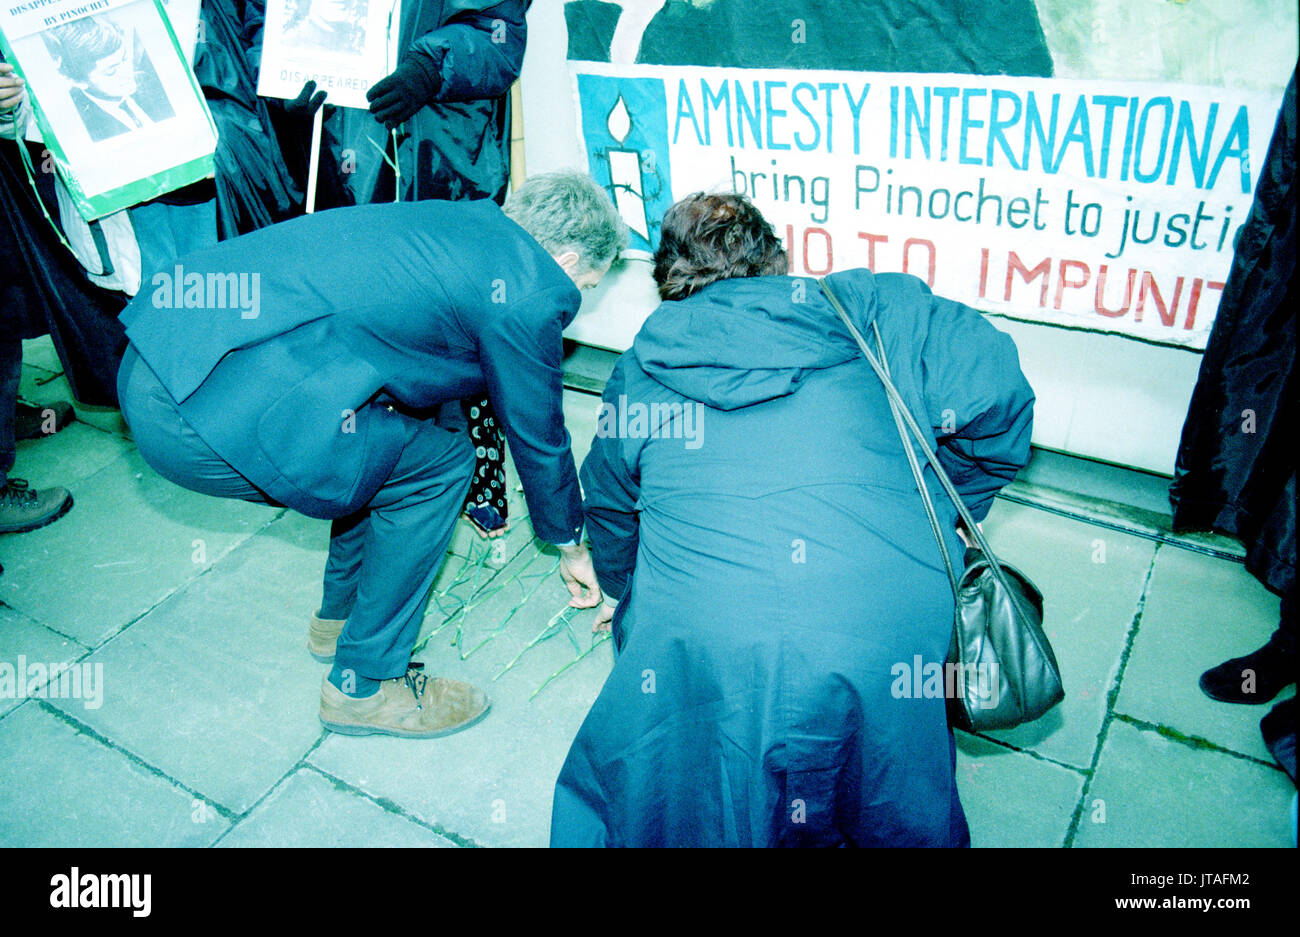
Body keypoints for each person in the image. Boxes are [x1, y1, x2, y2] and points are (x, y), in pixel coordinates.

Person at [551, 192, 1034, 846]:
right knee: (887, 782)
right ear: (776, 259)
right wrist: (948, 511)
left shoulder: (641, 371)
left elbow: (607, 504)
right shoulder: (876, 315)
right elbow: (998, 385)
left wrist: (616, 588)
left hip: (708, 647)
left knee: (700, 791)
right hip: (885, 624)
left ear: (669, 283)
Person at [116, 171, 627, 738]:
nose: (579, 300)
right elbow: (539, 432)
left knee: (394, 450)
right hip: (203, 410)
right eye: (588, 282)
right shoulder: (530, 283)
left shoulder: (460, 222)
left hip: (162, 356)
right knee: (441, 469)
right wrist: (571, 544)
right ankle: (363, 686)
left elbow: (425, 361)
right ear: (567, 255)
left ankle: (339, 621)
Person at [43, 16, 175, 142]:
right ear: (78, 81)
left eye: (124, 59)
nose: (127, 72)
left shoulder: (154, 83)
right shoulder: (73, 122)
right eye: (111, 71)